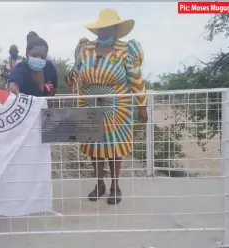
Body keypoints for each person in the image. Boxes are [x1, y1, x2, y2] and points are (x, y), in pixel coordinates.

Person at [66, 8, 148, 205]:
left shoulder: (125, 50)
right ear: (97, 29)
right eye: (101, 27)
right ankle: (100, 183)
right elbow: (75, 75)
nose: (104, 31)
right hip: (88, 103)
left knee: (114, 148)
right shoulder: (85, 49)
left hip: (117, 108)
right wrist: (70, 78)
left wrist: (142, 105)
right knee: (94, 148)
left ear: (116, 28)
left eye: (109, 27)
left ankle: (115, 186)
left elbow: (135, 78)